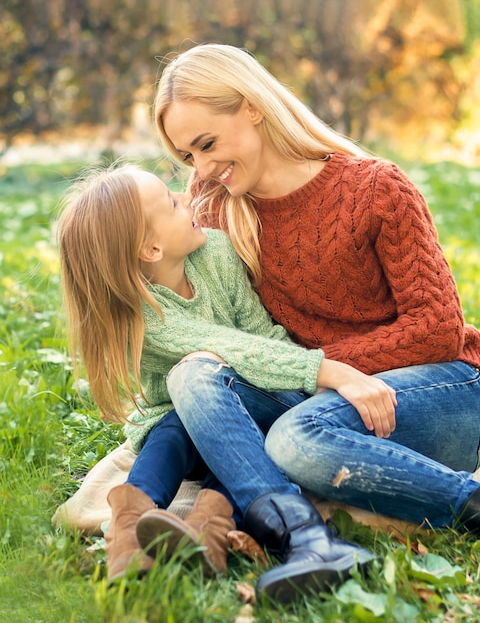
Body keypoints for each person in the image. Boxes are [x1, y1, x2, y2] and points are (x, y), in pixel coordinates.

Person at [152, 42, 480, 579]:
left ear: (252, 106)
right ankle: (309, 543)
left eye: (207, 144)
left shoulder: (374, 187)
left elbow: (437, 329)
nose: (200, 167)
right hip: (315, 391)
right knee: (195, 375)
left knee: (294, 439)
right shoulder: (214, 207)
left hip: (439, 391)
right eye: (187, 156)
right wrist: (311, 373)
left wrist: (319, 367)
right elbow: (212, 332)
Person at [57, 163, 379, 601]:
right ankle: (130, 534)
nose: (188, 198)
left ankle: (205, 534)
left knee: (249, 439)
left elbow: (259, 334)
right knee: (174, 428)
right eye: (172, 202)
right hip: (183, 428)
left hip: (252, 408)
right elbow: (229, 345)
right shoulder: (144, 317)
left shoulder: (218, 253)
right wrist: (324, 370)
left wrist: (302, 376)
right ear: (151, 248)